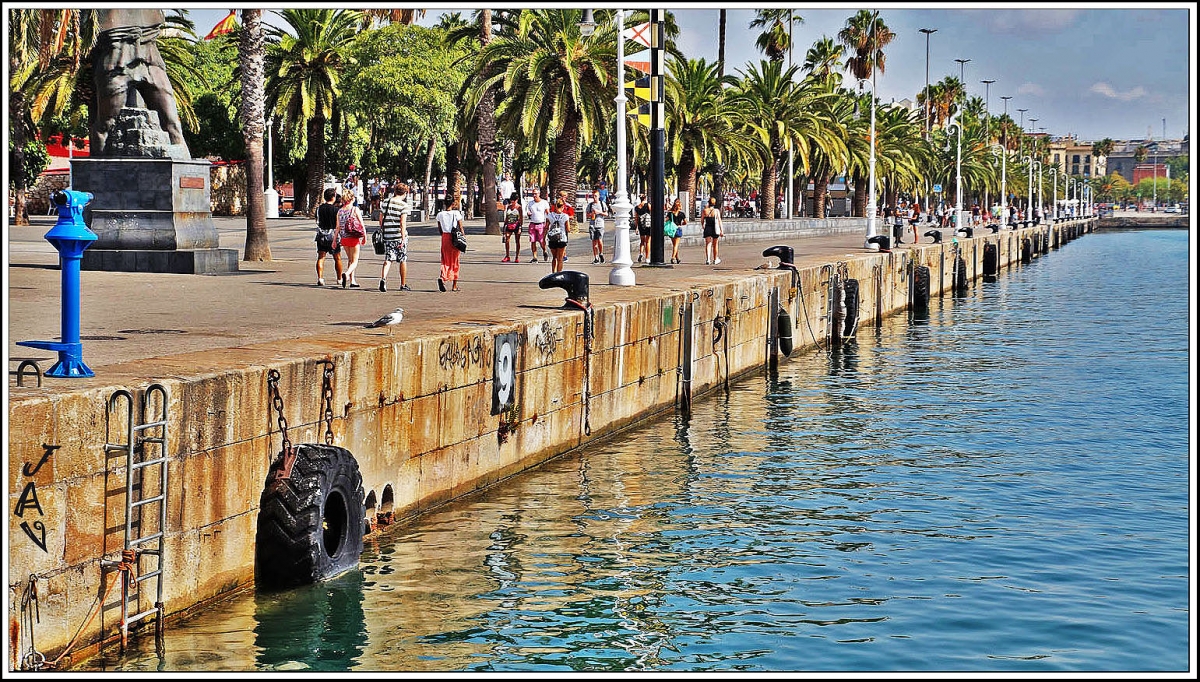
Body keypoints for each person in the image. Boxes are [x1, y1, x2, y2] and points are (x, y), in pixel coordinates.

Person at [92, 10, 188, 157]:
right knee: (106, 125)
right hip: (117, 60)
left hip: (150, 59)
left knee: (172, 124)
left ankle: (187, 172)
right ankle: (97, 175)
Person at [377, 182, 412, 292]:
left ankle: (383, 279)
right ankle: (403, 284)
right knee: (402, 259)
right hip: (398, 236)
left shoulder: (386, 202)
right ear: (405, 193)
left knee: (388, 259)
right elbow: (402, 223)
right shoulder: (403, 206)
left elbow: (380, 220)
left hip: (388, 236)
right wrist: (402, 238)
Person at [336, 189, 366, 288]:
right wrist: (364, 236)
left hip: (344, 238)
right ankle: (347, 274)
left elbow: (338, 227)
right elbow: (361, 224)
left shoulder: (340, 211)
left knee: (350, 259)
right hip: (353, 236)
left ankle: (352, 281)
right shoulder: (354, 209)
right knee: (355, 260)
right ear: (352, 198)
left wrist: (334, 240)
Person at [314, 187, 344, 286]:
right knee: (337, 257)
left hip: (321, 235)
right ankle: (339, 279)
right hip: (333, 236)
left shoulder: (319, 209)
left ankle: (320, 278)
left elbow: (317, 221)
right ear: (333, 197)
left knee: (321, 257)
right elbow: (338, 224)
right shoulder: (336, 210)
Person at [436, 197, 464, 292]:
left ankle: (442, 277)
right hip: (454, 238)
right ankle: (454, 285)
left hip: (445, 237)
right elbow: (460, 227)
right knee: (455, 260)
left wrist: (444, 235)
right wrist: (463, 238)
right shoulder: (456, 213)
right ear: (453, 203)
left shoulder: (440, 215)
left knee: (445, 259)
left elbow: (439, 228)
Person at [524, 187, 550, 263]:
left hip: (541, 224)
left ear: (539, 194)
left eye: (536, 193)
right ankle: (534, 257)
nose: (534, 195)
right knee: (533, 241)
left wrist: (548, 224)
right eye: (533, 194)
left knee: (542, 241)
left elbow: (548, 213)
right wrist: (528, 214)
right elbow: (528, 212)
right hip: (532, 224)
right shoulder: (530, 203)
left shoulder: (544, 202)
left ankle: (544, 251)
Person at [546, 198, 571, 273]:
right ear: (563, 207)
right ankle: (558, 274)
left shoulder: (549, 215)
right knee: (560, 258)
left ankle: (553, 273)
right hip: (562, 239)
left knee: (554, 257)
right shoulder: (565, 216)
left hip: (552, 238)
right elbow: (568, 229)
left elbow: (546, 227)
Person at [585, 190, 607, 263]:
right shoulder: (590, 205)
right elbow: (587, 215)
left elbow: (606, 214)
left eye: (595, 196)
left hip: (600, 224)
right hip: (592, 225)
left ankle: (601, 253)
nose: (594, 197)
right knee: (594, 242)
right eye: (593, 196)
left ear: (598, 196)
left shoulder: (602, 204)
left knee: (600, 241)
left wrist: (599, 212)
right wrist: (591, 214)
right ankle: (596, 258)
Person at [501, 193, 523, 263]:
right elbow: (507, 216)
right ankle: (507, 256)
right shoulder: (509, 207)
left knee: (517, 241)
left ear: (517, 200)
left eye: (514, 201)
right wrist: (504, 225)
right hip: (509, 225)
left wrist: (520, 227)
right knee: (507, 240)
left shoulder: (519, 207)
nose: (513, 202)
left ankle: (517, 257)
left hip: (516, 225)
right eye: (512, 201)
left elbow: (521, 218)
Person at [702, 196, 723, 265]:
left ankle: (708, 259)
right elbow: (719, 221)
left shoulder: (705, 210)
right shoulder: (716, 211)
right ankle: (715, 258)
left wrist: (703, 225)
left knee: (708, 244)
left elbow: (702, 220)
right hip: (715, 228)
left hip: (707, 227)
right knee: (715, 244)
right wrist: (721, 230)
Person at [667, 198, 687, 264]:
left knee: (674, 245)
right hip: (678, 229)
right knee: (676, 245)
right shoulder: (682, 214)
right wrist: (680, 224)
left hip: (671, 230)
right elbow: (685, 222)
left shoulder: (670, 213)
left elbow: (666, 220)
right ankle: (672, 258)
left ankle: (677, 258)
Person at [634, 194, 652, 263]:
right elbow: (652, 213)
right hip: (648, 224)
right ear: (645, 198)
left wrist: (636, 227)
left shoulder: (637, 207)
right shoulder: (648, 205)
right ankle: (647, 257)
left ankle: (641, 253)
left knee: (642, 241)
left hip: (641, 225)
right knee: (648, 242)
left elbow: (636, 218)